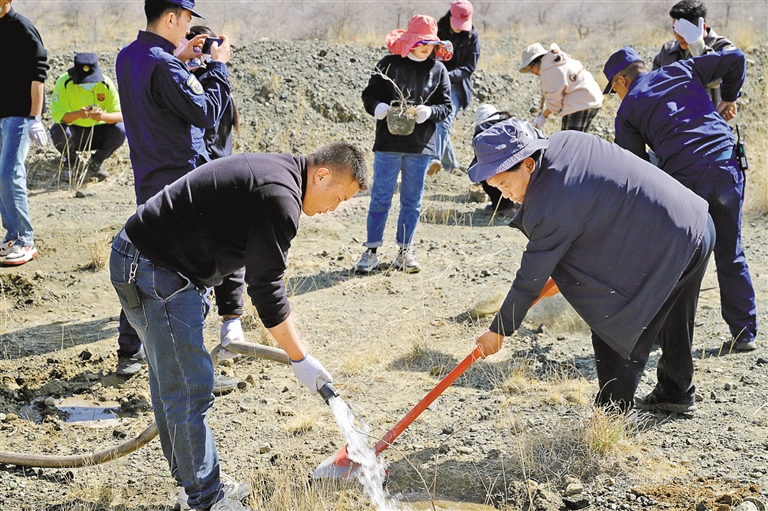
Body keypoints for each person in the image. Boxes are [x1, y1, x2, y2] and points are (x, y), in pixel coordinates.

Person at [111, 142, 368, 511]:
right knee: (188, 390)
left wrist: (231, 315)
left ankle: (193, 486)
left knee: (174, 385)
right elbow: (268, 290)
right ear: (322, 174)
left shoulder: (278, 174)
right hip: (154, 268)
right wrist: (300, 358)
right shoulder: (281, 197)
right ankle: (205, 499)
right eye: (339, 197)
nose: (334, 209)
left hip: (142, 258)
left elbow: (236, 245)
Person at [470, 120, 715, 414]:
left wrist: (499, 331)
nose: (505, 195)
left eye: (505, 184)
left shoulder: (548, 203)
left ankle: (609, 418)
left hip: (672, 242)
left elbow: (530, 276)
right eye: (496, 188)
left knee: (612, 314)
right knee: (674, 314)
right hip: (695, 223)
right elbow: (594, 211)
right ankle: (676, 392)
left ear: (527, 164)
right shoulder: (563, 142)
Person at [114, 0, 237, 381]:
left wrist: (181, 61)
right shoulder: (163, 63)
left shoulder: (128, 56)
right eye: (185, 21)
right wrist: (218, 66)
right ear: (171, 17)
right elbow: (206, 113)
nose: (188, 30)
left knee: (146, 259)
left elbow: (162, 104)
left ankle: (129, 350)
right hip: (181, 182)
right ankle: (192, 371)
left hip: (149, 176)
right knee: (191, 276)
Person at [604, 46, 757, 352]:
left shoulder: (628, 109)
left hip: (689, 179)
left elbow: (636, 168)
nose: (616, 94)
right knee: (730, 250)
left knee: (676, 261)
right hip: (727, 164)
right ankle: (744, 334)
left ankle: (668, 341)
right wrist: (729, 97)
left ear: (621, 80)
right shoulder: (682, 69)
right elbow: (736, 58)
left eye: (614, 88)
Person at [357, 14, 453, 274]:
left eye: (430, 43)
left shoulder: (438, 69)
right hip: (388, 142)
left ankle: (404, 251)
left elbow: (446, 106)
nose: (425, 47)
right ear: (410, 41)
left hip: (421, 146)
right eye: (421, 41)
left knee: (412, 201)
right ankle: (371, 251)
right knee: (380, 198)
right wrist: (376, 106)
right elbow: (369, 93)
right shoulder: (389, 64)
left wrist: (429, 112)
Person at [0, 0, 49, 267]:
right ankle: (12, 236)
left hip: (19, 116)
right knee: (0, 176)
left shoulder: (22, 29)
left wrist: (35, 117)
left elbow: (38, 74)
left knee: (10, 173)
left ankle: (25, 241)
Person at [49, 53, 125, 182]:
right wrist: (78, 114)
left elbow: (120, 115)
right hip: (74, 133)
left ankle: (95, 163)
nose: (87, 84)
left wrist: (103, 116)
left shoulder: (105, 83)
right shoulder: (64, 82)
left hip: (98, 131)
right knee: (57, 131)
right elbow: (59, 116)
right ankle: (73, 162)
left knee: (120, 130)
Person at [653, 0, 737, 112]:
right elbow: (654, 89)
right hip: (672, 125)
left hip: (709, 124)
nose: (678, 36)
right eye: (675, 29)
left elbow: (714, 82)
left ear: (702, 27)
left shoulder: (724, 49)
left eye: (684, 31)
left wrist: (697, 46)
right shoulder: (668, 50)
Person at [431, 0, 480, 175]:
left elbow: (469, 67)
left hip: (456, 86)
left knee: (443, 119)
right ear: (450, 15)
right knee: (437, 123)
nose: (460, 28)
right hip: (433, 83)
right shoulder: (437, 31)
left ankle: (433, 159)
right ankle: (451, 166)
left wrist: (447, 76)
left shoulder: (471, 37)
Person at [470, 104, 542, 217]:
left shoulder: (483, 130)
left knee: (490, 177)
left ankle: (504, 207)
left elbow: (482, 162)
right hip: (533, 157)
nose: (505, 194)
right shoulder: (510, 121)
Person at [518, 42, 603, 133]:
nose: (532, 73)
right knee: (582, 140)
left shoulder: (549, 72)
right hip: (593, 99)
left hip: (580, 105)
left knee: (570, 142)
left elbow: (555, 103)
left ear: (536, 62)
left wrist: (543, 117)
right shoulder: (557, 61)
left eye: (530, 69)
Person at [186, 25, 239, 160]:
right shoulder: (219, 80)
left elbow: (209, 132)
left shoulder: (203, 81)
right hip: (222, 161)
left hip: (208, 163)